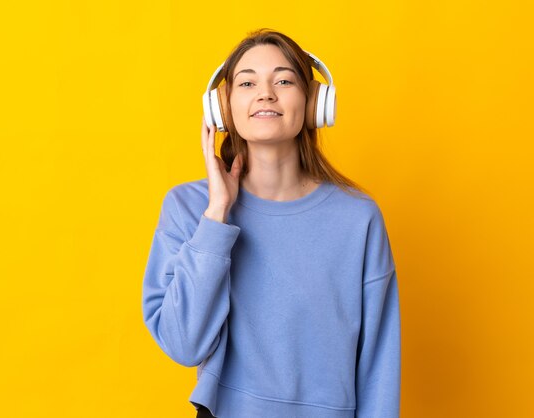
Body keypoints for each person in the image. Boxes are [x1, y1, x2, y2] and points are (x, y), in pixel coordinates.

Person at [142, 28, 401, 418]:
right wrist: (217, 215)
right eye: (247, 82)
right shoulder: (189, 206)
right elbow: (184, 345)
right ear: (223, 108)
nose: (266, 93)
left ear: (314, 102)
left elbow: (379, 364)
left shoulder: (358, 218)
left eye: (283, 80)